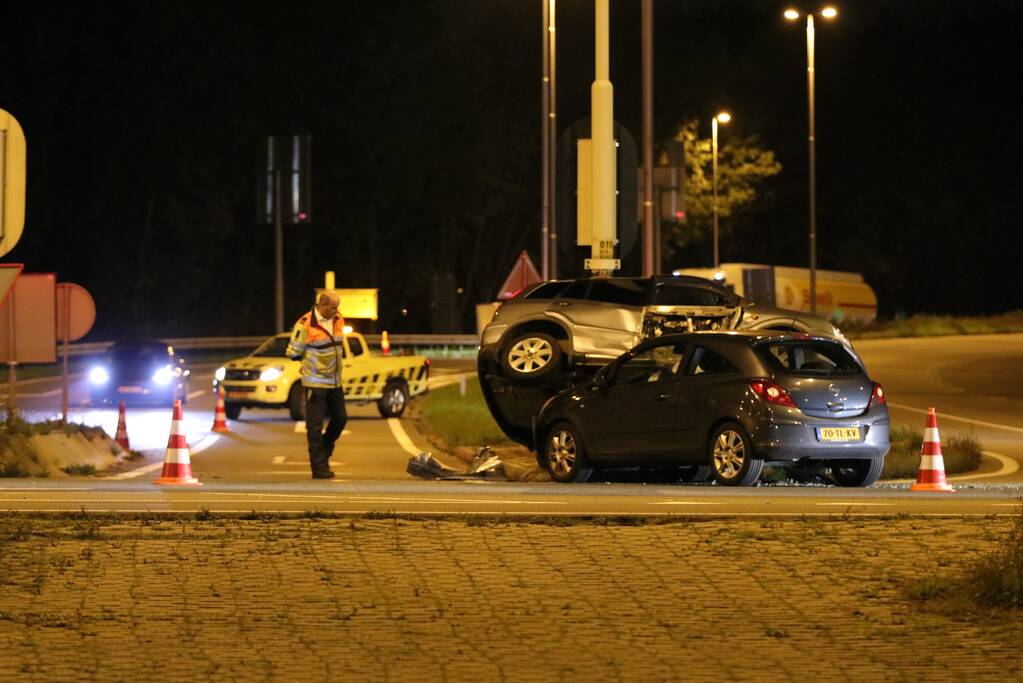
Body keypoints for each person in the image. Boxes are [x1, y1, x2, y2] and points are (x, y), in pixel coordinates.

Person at [286, 291, 348, 479]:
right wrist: (309, 365)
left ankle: (324, 450)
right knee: (314, 426)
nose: (336, 311)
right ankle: (319, 467)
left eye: (337, 307)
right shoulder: (304, 324)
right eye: (332, 307)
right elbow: (293, 352)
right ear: (321, 305)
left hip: (335, 381)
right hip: (315, 382)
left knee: (340, 419)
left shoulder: (338, 319)